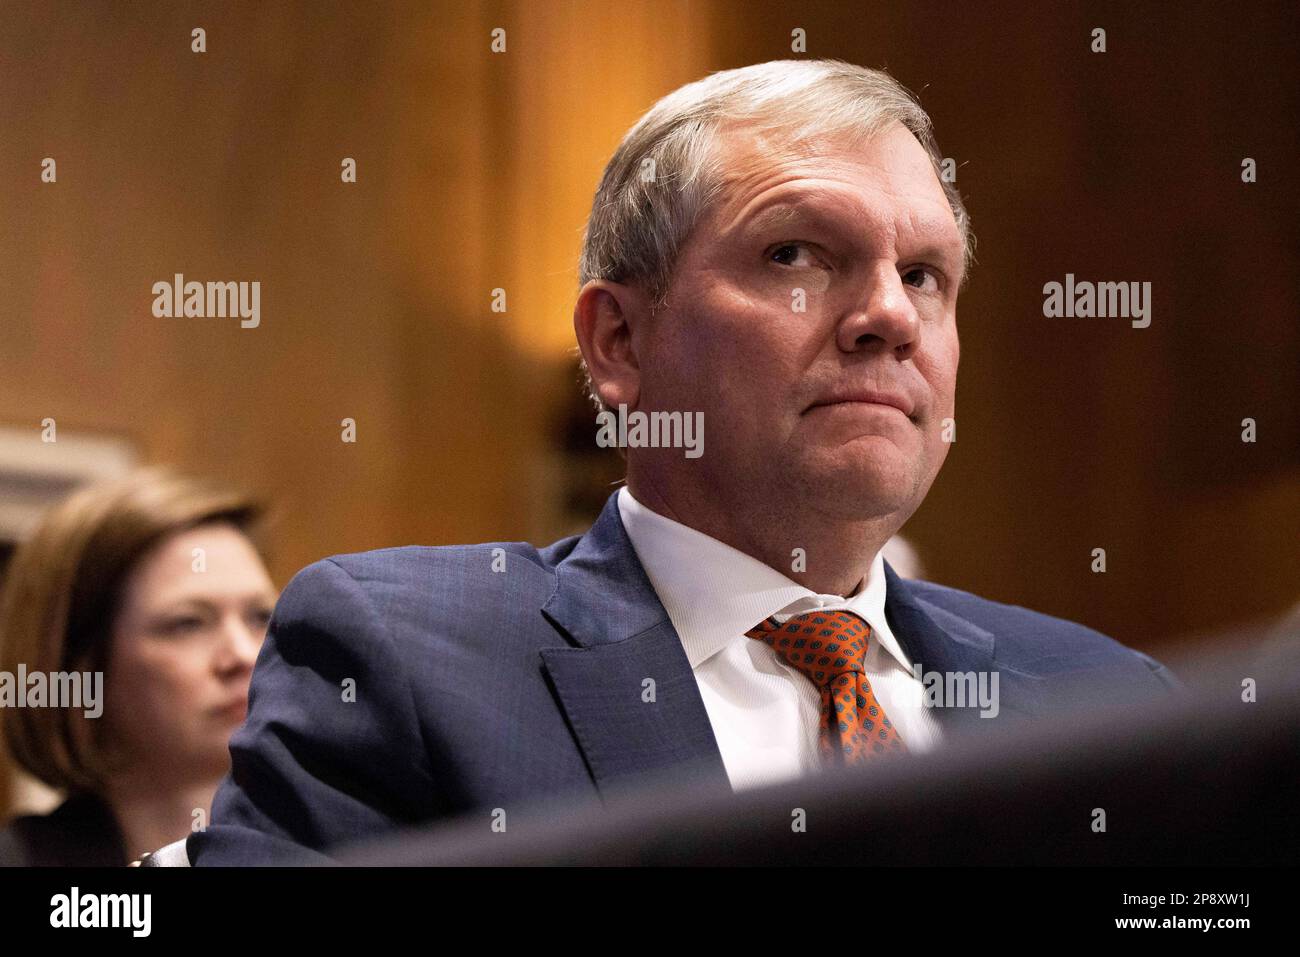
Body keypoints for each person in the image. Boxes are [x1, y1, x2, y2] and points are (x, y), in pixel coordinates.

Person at [190, 59, 1180, 866]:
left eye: (923, 275)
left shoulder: (1108, 701)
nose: (888, 315)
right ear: (620, 341)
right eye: (794, 255)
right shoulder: (407, 658)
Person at [0, 468, 275, 865]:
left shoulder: (354, 844)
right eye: (188, 623)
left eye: (261, 617)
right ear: (78, 667)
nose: (244, 655)